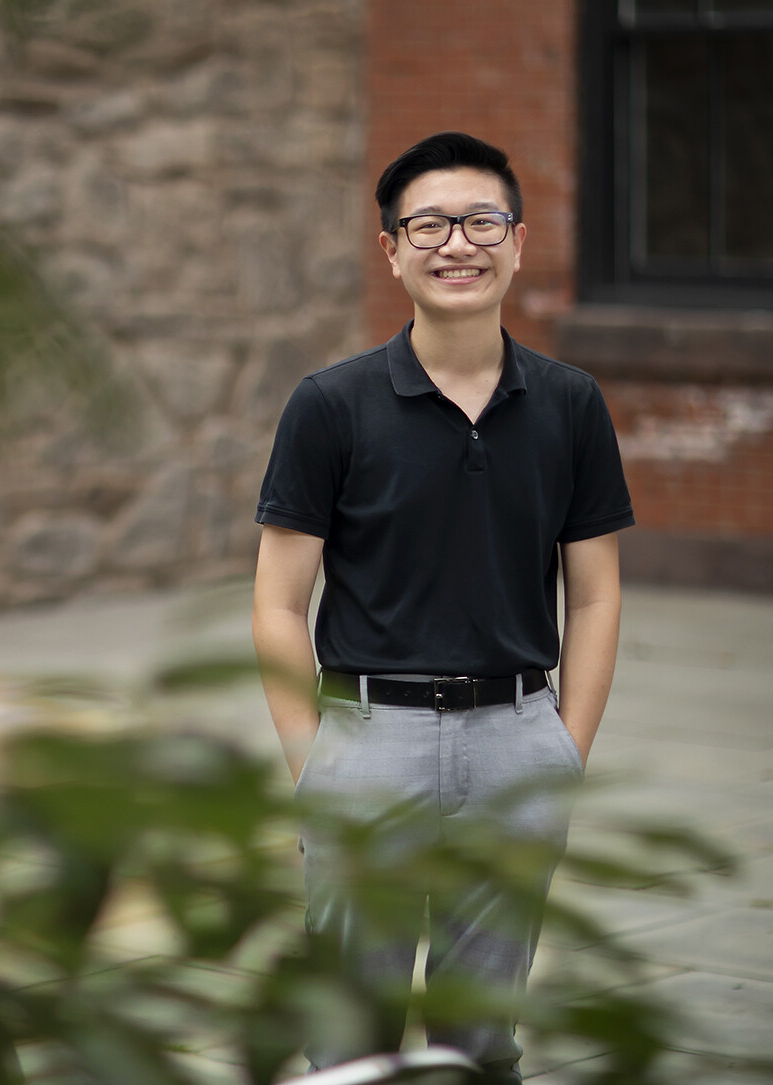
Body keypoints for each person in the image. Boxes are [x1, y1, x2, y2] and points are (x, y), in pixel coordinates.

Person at [251, 132, 634, 1082]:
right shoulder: (330, 405)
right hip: (366, 740)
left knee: (482, 1040)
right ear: (391, 248)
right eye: (427, 223)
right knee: (350, 1036)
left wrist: (564, 748)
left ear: (518, 239)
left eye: (480, 220)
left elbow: (594, 592)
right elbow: (277, 599)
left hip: (517, 739)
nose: (455, 243)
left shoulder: (570, 403)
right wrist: (316, 763)